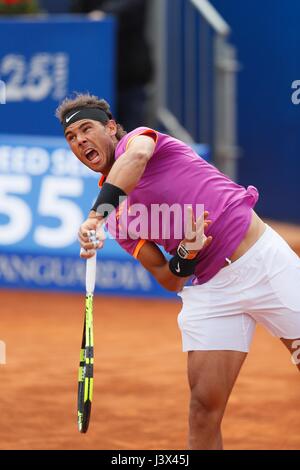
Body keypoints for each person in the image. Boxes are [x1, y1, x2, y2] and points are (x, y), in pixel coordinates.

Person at [56, 93, 300, 450]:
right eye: (71, 138)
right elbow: (170, 278)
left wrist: (96, 215)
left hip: (265, 263)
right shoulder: (120, 221)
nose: (79, 141)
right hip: (211, 291)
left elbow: (136, 157)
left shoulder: (142, 140)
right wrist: (186, 253)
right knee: (203, 409)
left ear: (110, 128)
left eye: (86, 129)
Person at [71, 0, 154, 131]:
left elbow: (130, 6)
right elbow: (76, 14)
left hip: (129, 75)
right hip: (93, 73)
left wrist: (104, 14)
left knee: (131, 133)